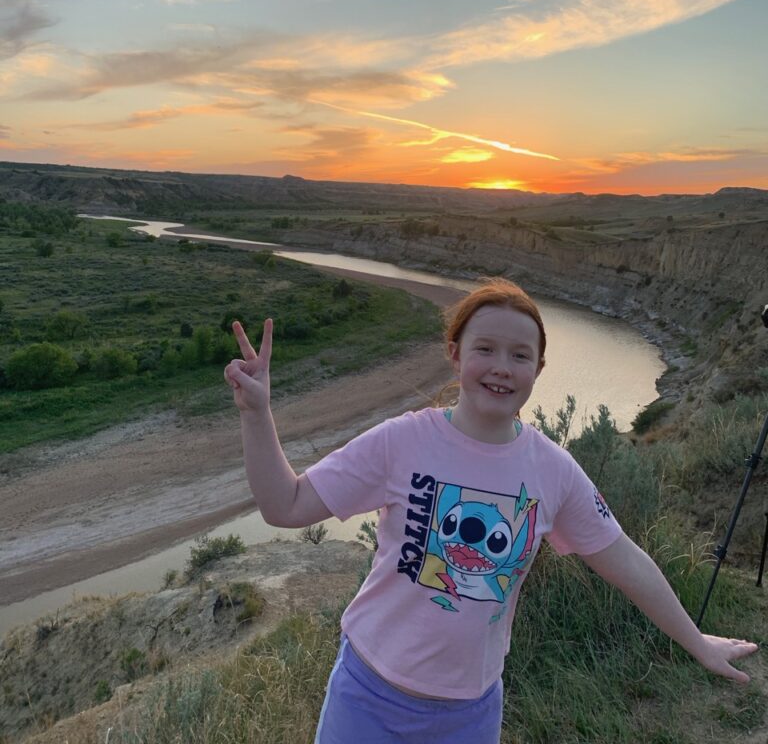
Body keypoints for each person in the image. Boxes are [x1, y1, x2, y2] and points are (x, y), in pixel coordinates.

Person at [225, 278, 757, 744]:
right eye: (485, 349)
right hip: (369, 698)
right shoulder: (402, 442)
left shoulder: (554, 471)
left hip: (469, 713)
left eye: (520, 355)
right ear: (455, 353)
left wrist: (697, 640)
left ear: (539, 368)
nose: (502, 368)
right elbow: (286, 505)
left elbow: (626, 562)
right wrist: (256, 412)